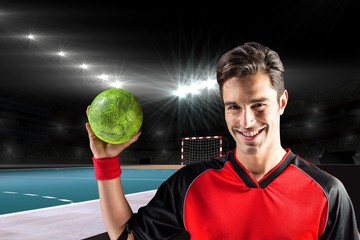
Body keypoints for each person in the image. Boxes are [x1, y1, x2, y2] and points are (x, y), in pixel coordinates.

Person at [85, 42, 360, 240]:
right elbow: (126, 236)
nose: (246, 121)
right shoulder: (191, 184)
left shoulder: (328, 194)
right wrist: (105, 161)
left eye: (258, 105)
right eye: (234, 107)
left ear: (282, 102)